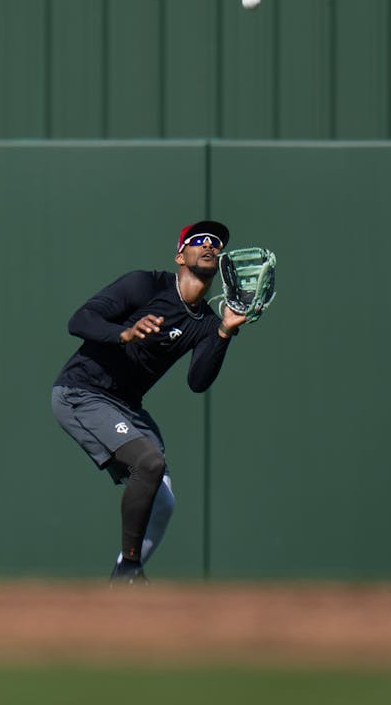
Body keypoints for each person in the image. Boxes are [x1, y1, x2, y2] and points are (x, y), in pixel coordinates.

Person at [50, 220, 247, 585]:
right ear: (179, 255)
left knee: (164, 500)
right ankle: (129, 568)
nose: (210, 245)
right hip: (81, 391)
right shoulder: (146, 285)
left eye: (217, 243)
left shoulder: (205, 320)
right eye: (199, 240)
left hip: (126, 405)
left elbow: (198, 382)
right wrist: (122, 333)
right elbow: (79, 320)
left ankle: (121, 581)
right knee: (150, 463)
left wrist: (224, 332)